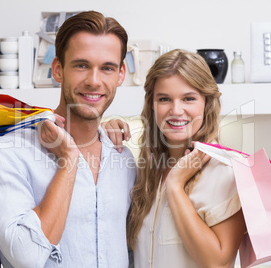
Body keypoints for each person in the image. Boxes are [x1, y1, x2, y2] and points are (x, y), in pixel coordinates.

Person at [0, 11, 136, 268]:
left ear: (120, 74)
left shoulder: (123, 157)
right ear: (58, 70)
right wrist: (69, 160)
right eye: (81, 65)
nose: (94, 81)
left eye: (107, 68)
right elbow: (26, 257)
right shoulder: (5, 153)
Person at [102, 49, 247, 267]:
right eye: (164, 99)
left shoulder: (227, 172)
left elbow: (218, 263)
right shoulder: (146, 171)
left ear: (206, 103)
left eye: (188, 98)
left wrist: (176, 186)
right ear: (152, 104)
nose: (176, 110)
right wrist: (102, 134)